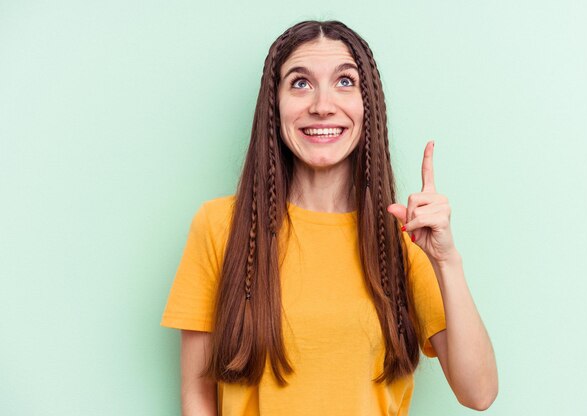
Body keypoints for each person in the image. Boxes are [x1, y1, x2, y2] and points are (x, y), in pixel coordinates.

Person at [161, 20, 498, 415]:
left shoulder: (405, 237)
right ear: (275, 104)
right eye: (300, 83)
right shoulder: (220, 226)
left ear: (366, 103)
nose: (322, 105)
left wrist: (445, 259)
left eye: (344, 82)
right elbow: (197, 396)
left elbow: (479, 393)